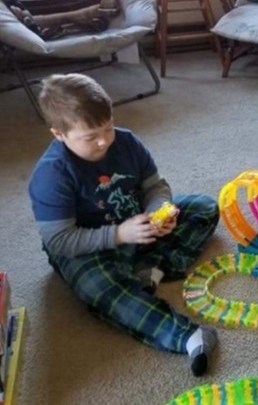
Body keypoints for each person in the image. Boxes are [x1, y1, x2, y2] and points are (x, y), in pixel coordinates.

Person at [28, 74, 220, 377]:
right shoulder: (52, 174)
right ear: (59, 134)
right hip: (89, 246)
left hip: (138, 226)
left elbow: (155, 186)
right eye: (90, 137)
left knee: (204, 207)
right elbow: (60, 241)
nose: (104, 140)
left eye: (108, 127)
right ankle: (187, 336)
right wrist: (118, 234)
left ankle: (151, 269)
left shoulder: (127, 141)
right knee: (97, 288)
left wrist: (159, 211)